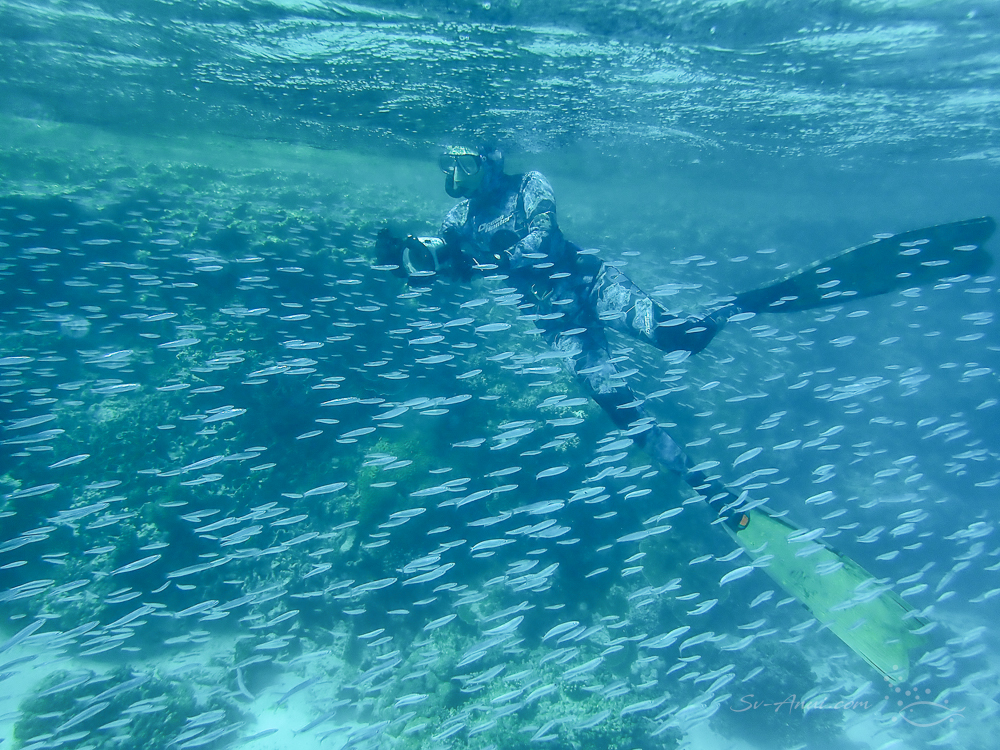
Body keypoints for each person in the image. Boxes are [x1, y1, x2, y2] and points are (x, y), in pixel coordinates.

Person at [377, 143, 740, 520]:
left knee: (684, 340)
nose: (456, 175)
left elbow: (544, 236)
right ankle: (703, 485)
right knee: (621, 410)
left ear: (489, 161)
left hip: (591, 285)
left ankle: (743, 304)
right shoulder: (456, 222)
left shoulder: (529, 185)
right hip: (555, 321)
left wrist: (498, 260)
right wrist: (410, 264)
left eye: (466, 163)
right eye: (449, 165)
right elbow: (453, 270)